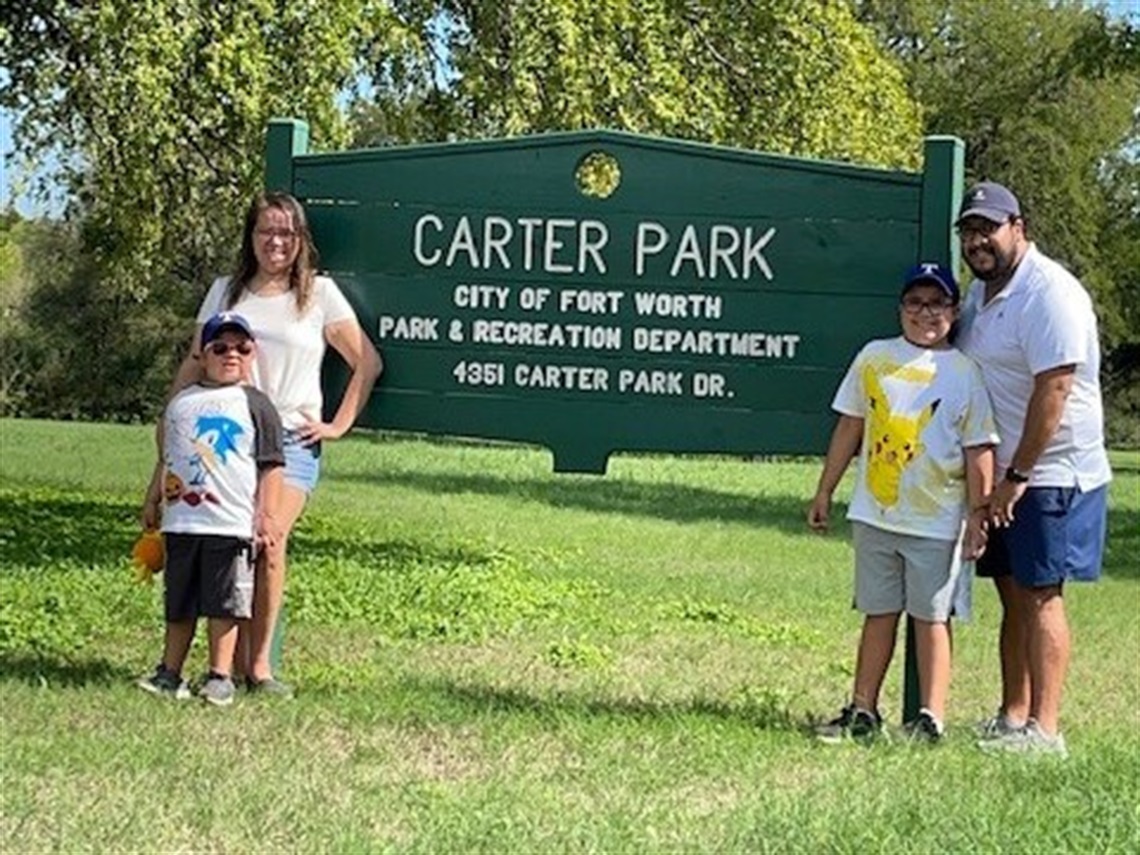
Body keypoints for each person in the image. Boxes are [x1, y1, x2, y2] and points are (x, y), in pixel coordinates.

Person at [171, 191, 383, 697]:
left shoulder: (319, 295)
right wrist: (170, 430)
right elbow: (194, 362)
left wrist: (337, 424)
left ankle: (259, 667)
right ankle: (222, 668)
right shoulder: (226, 291)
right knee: (227, 544)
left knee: (267, 541)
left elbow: (367, 363)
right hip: (225, 440)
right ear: (251, 236)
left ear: (301, 239)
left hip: (290, 438)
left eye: (287, 232)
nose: (276, 241)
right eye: (267, 230)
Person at [809, 262, 997, 744]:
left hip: (937, 520)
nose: (925, 313)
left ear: (954, 312)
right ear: (900, 309)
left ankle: (930, 717)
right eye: (915, 303)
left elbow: (980, 447)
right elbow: (850, 426)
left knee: (932, 618)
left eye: (936, 304)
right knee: (878, 613)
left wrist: (979, 513)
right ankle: (863, 710)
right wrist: (826, 489)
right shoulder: (874, 357)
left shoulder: (964, 372)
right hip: (876, 513)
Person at [955, 182, 1111, 757]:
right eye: (969, 232)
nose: (978, 241)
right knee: (1012, 592)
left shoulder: (1051, 293)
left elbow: (1057, 387)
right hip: (1005, 472)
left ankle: (1046, 732)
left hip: (1052, 472)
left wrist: (1018, 475)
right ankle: (1012, 715)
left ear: (1018, 226)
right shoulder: (979, 293)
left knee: (1042, 593)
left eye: (988, 229)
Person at [138, 313, 285, 706]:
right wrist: (153, 498)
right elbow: (167, 457)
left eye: (242, 347)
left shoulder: (257, 405)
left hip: (230, 523)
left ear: (253, 355)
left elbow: (271, 465)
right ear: (202, 355)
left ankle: (220, 675)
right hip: (181, 522)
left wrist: (266, 515)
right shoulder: (181, 404)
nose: (230, 354)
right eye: (219, 347)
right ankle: (170, 672)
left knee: (225, 601)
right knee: (180, 600)